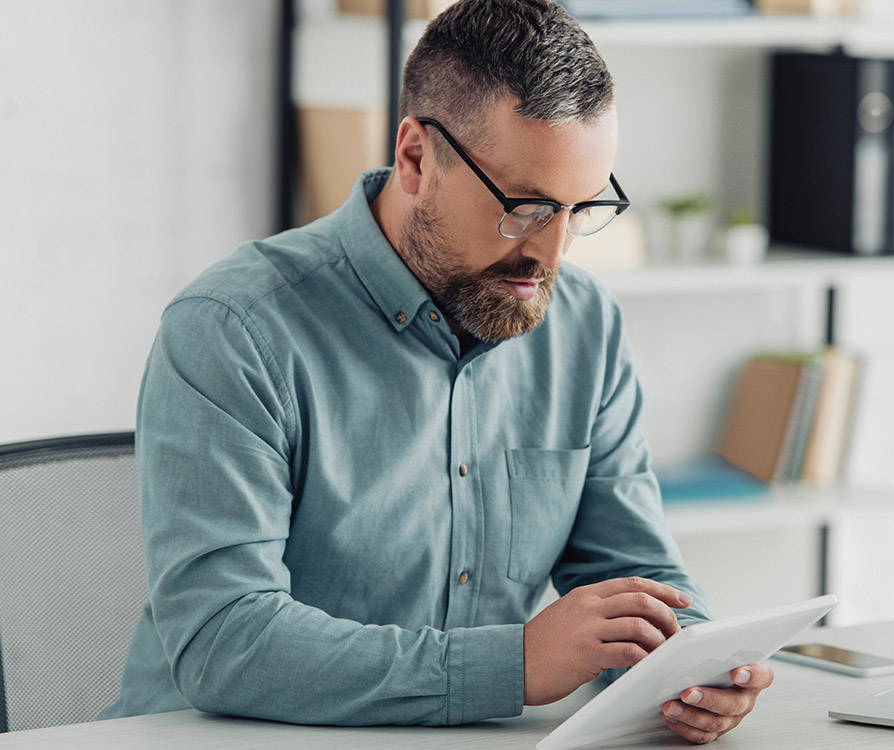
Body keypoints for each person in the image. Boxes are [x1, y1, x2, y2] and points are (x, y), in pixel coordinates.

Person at [100, 0, 773, 743]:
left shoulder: (584, 323)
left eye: (581, 209)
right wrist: (512, 665)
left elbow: (636, 568)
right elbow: (223, 639)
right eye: (525, 207)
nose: (552, 255)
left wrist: (691, 663)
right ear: (416, 157)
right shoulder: (235, 330)